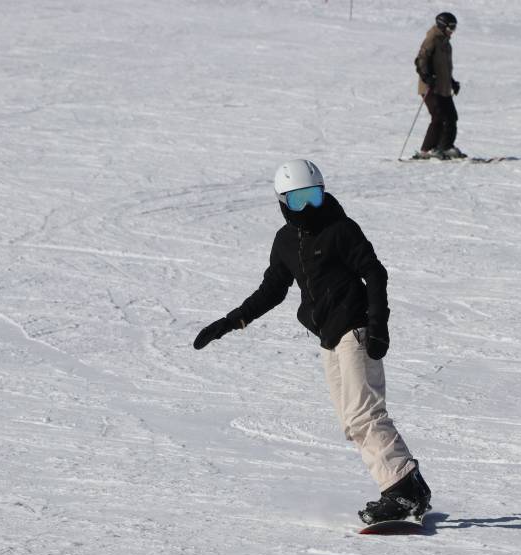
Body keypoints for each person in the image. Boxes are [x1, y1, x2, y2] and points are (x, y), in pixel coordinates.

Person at [193, 159, 431, 525]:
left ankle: (402, 490)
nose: (308, 209)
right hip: (329, 339)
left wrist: (378, 324)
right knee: (352, 422)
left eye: (314, 197)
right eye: (298, 200)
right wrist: (231, 321)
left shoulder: (340, 229)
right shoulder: (285, 241)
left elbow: (374, 272)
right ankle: (404, 485)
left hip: (356, 330)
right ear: (283, 202)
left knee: (364, 412)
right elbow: (272, 290)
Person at [413, 11, 464, 160]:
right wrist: (426, 77)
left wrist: (452, 82)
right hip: (430, 86)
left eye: (455, 27)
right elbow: (420, 60)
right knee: (438, 117)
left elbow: (444, 67)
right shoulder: (432, 39)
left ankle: (445, 147)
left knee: (451, 117)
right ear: (442, 26)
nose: (453, 31)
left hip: (443, 86)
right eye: (451, 27)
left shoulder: (446, 42)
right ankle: (427, 150)